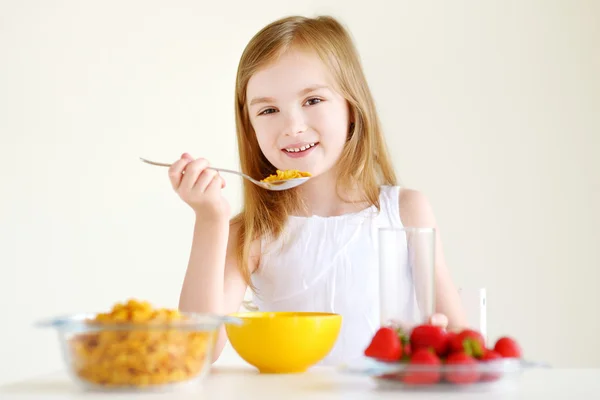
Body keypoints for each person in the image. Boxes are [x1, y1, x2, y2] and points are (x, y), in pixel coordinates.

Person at [169, 15, 467, 365]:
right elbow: (194, 353)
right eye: (268, 110)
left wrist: (438, 339)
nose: (292, 126)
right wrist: (209, 218)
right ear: (250, 130)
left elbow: (464, 345)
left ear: (351, 108)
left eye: (312, 101)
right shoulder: (249, 232)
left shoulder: (406, 211)